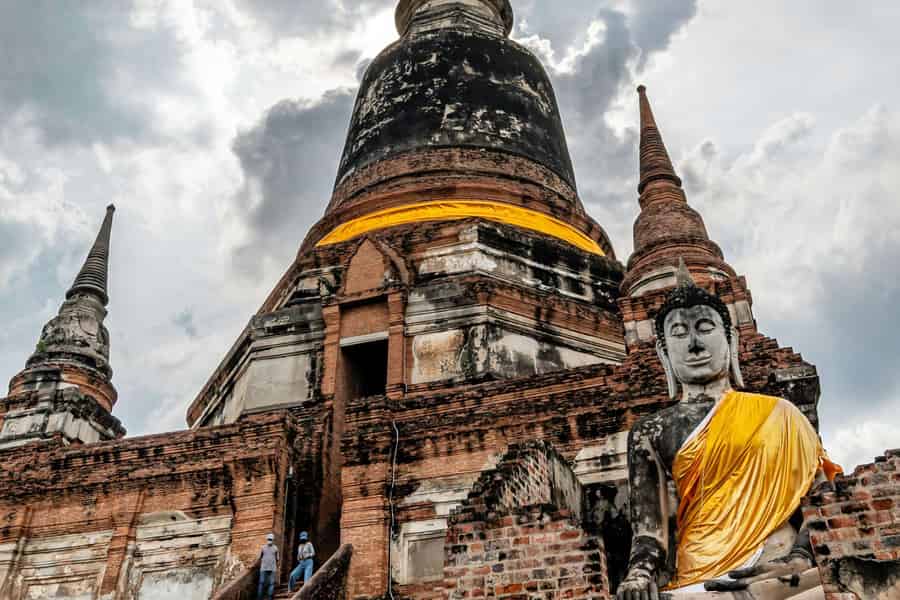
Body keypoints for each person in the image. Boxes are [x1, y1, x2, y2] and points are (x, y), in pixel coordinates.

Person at [617, 260, 840, 599]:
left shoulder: (780, 413)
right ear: (663, 352)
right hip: (700, 581)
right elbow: (650, 534)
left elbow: (822, 500)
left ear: (731, 339)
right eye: (679, 333)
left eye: (705, 327)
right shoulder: (651, 431)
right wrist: (638, 576)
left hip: (778, 569)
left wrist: (798, 559)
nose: (694, 344)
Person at [258, 533, 279, 600]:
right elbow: (260, 557)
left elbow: (277, 559)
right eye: (269, 539)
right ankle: (260, 597)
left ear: (273, 540)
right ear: (267, 539)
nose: (270, 540)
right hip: (264, 568)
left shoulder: (275, 548)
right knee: (262, 583)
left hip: (271, 568)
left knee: (270, 583)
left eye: (270, 539)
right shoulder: (263, 547)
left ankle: (268, 597)